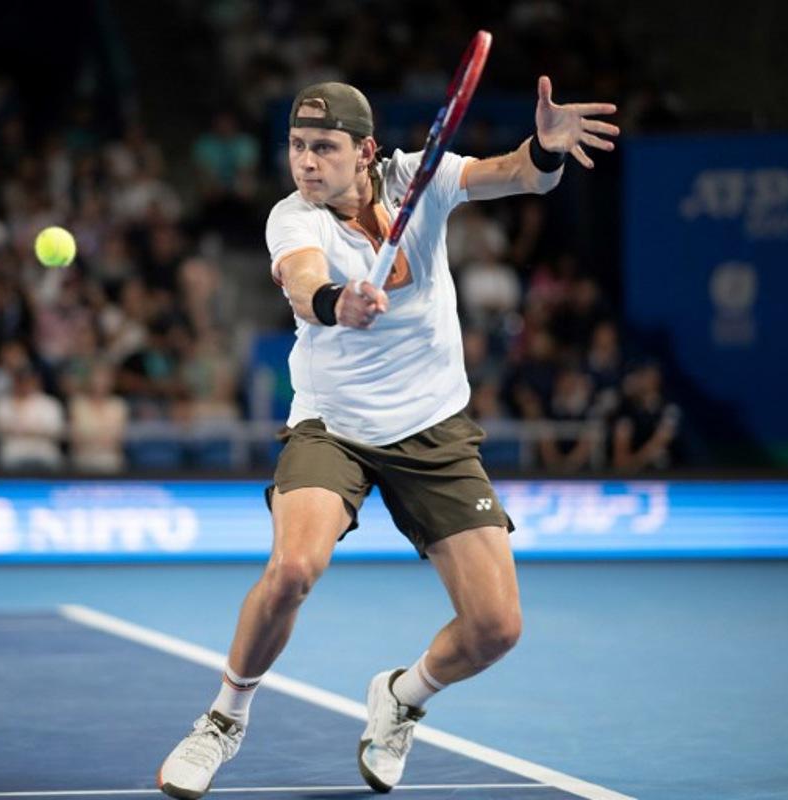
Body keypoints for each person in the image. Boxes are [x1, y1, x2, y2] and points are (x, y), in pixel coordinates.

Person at [157, 78, 619, 798]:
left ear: (365, 151)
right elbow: (305, 282)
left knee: (496, 628)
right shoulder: (293, 218)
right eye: (296, 147)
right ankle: (223, 720)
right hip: (333, 425)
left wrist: (547, 150)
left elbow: (517, 173)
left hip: (432, 426)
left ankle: (403, 696)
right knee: (292, 570)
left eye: (323, 148)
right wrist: (339, 303)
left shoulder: (419, 179)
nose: (305, 163)